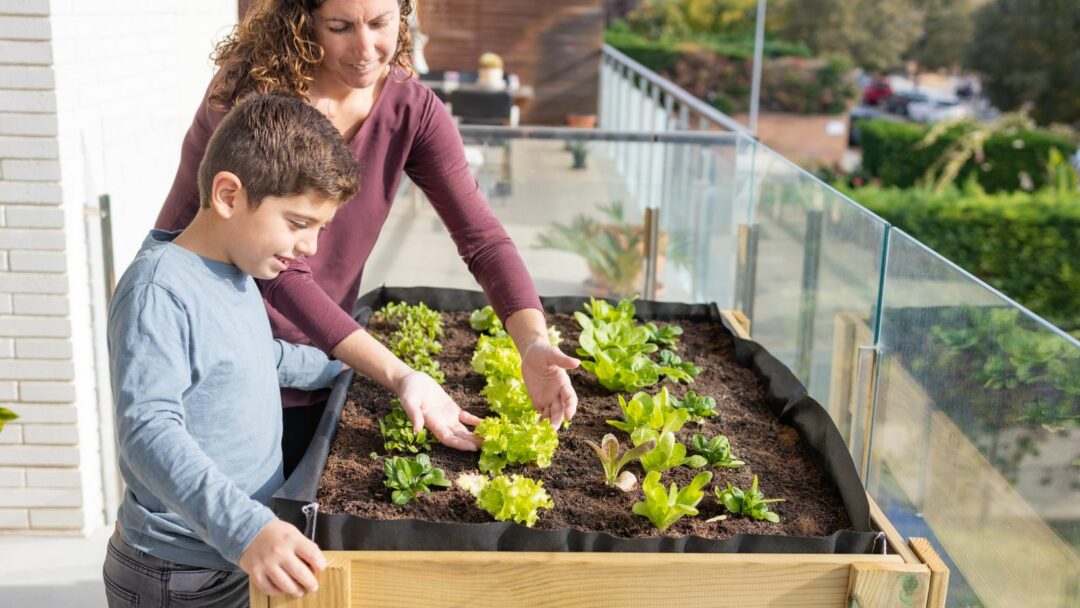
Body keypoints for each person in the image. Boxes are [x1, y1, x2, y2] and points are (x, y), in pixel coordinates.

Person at [157, 0, 579, 475]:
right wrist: (399, 374)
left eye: (380, 23)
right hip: (216, 347)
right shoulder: (257, 99)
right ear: (302, 20)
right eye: (340, 27)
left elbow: (481, 238)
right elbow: (280, 270)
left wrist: (533, 342)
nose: (365, 49)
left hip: (319, 353)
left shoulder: (410, 108)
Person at [104, 92, 360, 606]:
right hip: (179, 573)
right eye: (298, 223)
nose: (310, 247)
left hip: (231, 553)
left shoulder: (235, 271)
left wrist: (342, 370)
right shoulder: (159, 289)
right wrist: (247, 530)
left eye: (319, 228)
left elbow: (260, 357)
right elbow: (148, 430)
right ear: (228, 195)